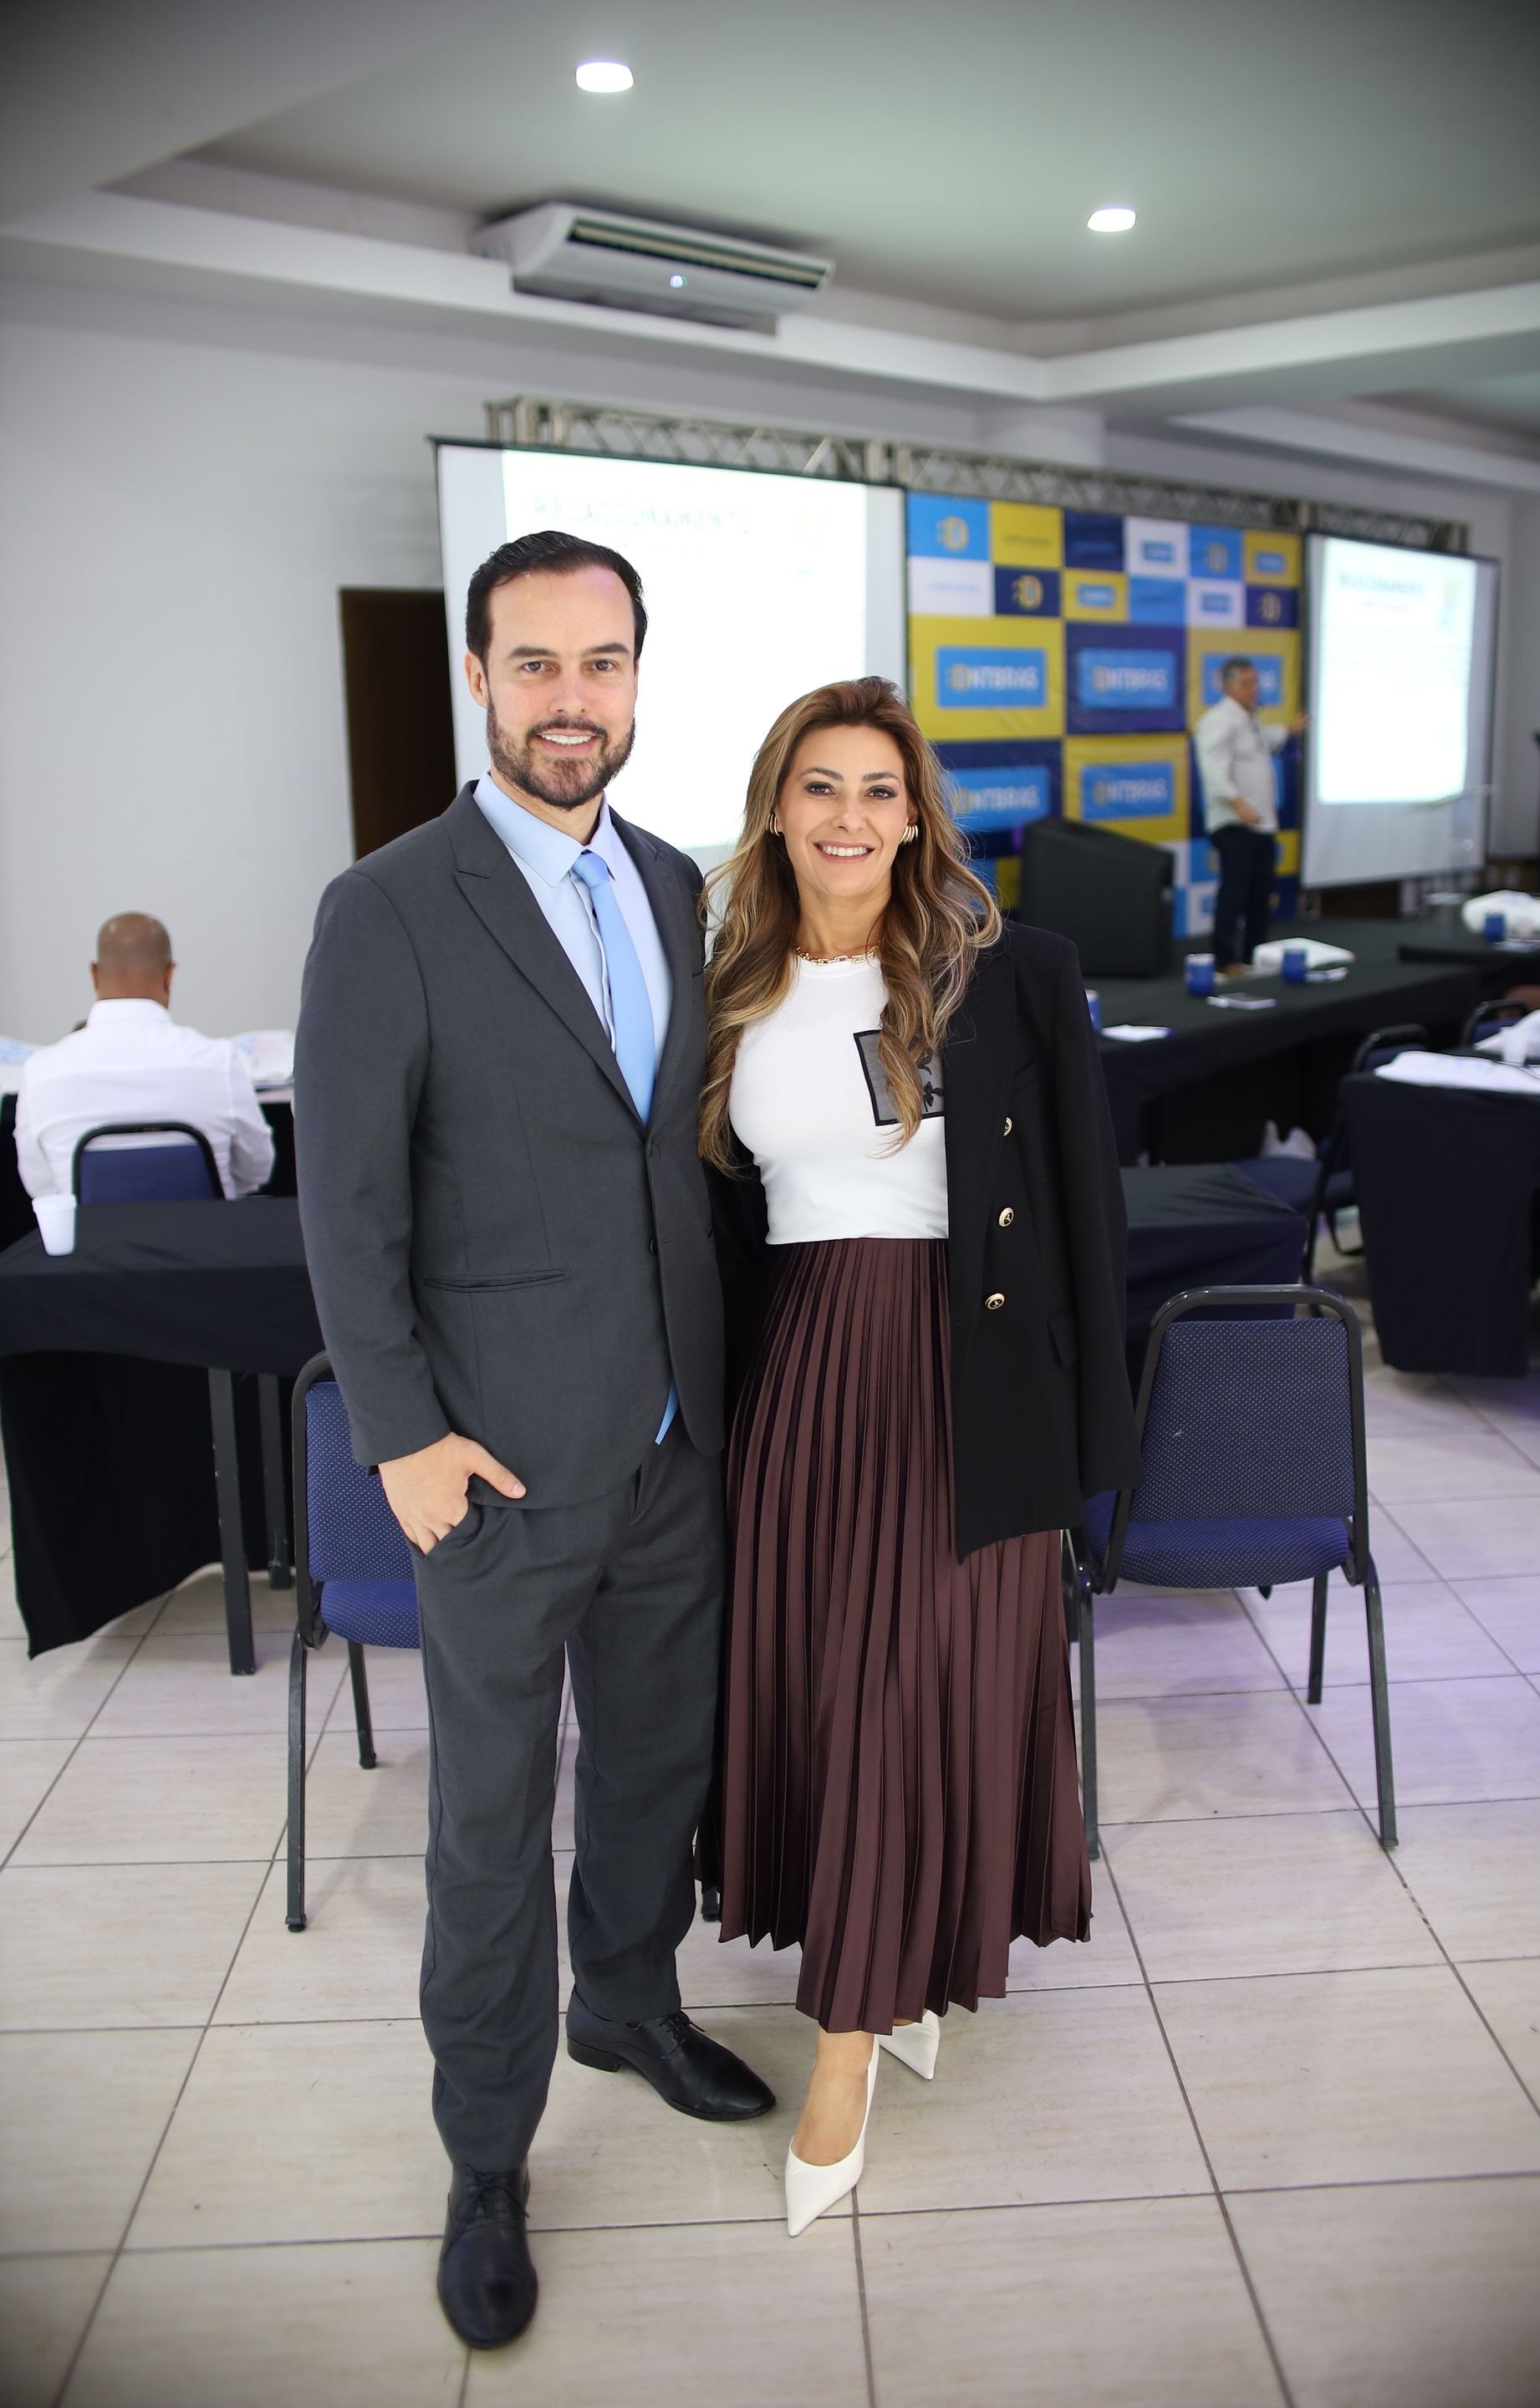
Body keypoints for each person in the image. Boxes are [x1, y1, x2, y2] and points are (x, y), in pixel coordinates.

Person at [295, 530, 773, 2354]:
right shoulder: (391, 906)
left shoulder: (671, 884)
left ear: (640, 678)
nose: (575, 699)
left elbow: (679, 1161)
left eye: (606, 663)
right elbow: (345, 1208)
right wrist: (403, 1437)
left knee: (655, 1763)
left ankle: (629, 2005)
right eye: (539, 664)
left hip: (670, 1443)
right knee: (490, 1826)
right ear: (480, 681)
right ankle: (485, 2153)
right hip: (488, 1467)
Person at [700, 676, 1142, 2237]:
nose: (849, 818)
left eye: (880, 791)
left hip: (967, 1381)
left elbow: (1087, 1217)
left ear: (918, 813)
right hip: (801, 1374)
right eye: (819, 786)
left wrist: (1093, 1454)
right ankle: (908, 1972)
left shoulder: (1007, 976)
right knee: (836, 1691)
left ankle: (846, 2042)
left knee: (908, 1692)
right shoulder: (728, 987)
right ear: (775, 806)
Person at [14, 912, 275, 1199]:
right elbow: (256, 1170)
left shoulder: (41, 1072)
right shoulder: (219, 1062)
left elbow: (41, 1188)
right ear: (169, 975)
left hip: (95, 1243)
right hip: (205, 1241)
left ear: (94, 974)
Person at [1194, 658, 1308, 973]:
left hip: (1261, 823)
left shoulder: (1250, 719)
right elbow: (1212, 767)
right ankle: (1225, 958)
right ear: (1227, 686)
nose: (1253, 689)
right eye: (1246, 683)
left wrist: (1289, 729)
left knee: (1260, 893)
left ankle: (1254, 955)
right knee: (1235, 891)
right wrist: (1237, 802)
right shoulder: (1218, 720)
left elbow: (1264, 741)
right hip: (1234, 822)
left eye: (1255, 682)